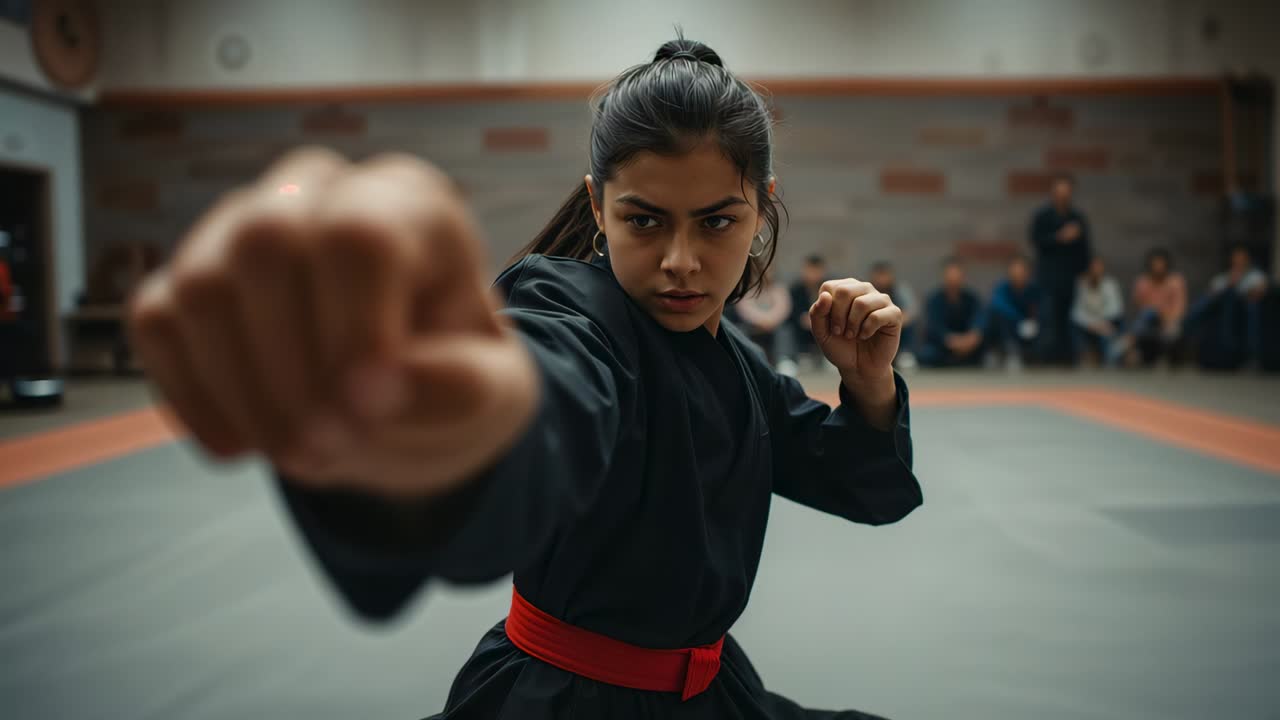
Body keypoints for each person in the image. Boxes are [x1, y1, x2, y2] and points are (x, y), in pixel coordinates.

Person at [127, 38, 921, 720]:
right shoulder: (571, 310)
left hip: (713, 694)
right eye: (645, 219)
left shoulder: (737, 363)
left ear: (761, 211)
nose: (682, 261)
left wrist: (869, 383)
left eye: (718, 220)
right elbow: (546, 409)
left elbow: (866, 486)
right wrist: (418, 422)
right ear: (598, 205)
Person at [1028, 174, 1092, 365]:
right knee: (1048, 318)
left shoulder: (1077, 218)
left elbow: (1085, 249)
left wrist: (1084, 271)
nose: (1062, 196)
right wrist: (1059, 237)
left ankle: (1067, 359)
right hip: (1048, 276)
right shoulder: (1043, 217)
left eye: (1066, 192)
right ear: (1053, 193)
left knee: (1069, 320)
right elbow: (1036, 241)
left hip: (1070, 276)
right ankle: (1045, 359)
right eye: (1059, 192)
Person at [1188, 243, 1269, 369]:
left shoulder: (1255, 276)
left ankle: (1251, 355)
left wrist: (1240, 289)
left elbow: (1259, 293)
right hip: (1222, 309)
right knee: (1203, 303)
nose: (1238, 261)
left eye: (1241, 258)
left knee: (1252, 308)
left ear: (1247, 259)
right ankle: (1187, 327)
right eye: (1236, 258)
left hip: (1244, 310)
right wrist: (1229, 284)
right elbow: (1211, 293)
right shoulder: (1224, 277)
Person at [1119, 248, 1187, 367]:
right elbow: (1140, 308)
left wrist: (1166, 318)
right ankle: (1132, 348)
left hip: (1170, 321)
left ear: (1167, 265)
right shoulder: (1142, 282)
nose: (1158, 267)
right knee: (1148, 314)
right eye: (1155, 264)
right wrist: (1157, 312)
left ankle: (1129, 341)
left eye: (1161, 264)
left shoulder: (1175, 281)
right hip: (1149, 322)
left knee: (1171, 331)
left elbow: (1179, 308)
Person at [919, 257, 985, 368]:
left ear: (962, 277)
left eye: (957, 275)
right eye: (950, 276)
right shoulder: (934, 299)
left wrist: (971, 338)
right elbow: (934, 327)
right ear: (944, 277)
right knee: (927, 354)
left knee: (984, 349)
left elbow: (979, 322)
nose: (953, 279)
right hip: (944, 345)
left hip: (968, 345)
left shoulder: (972, 298)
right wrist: (951, 341)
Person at [731, 268, 798, 375]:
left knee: (785, 330)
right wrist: (761, 321)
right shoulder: (748, 290)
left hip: (774, 325)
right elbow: (745, 310)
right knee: (739, 330)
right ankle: (746, 361)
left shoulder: (778, 289)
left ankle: (784, 360)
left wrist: (770, 321)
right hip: (753, 325)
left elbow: (783, 308)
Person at [985, 256, 1043, 370]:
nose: (1018, 275)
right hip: (1010, 328)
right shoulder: (1002, 288)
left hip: (1030, 331)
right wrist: (1020, 320)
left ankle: (1032, 356)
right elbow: (998, 305)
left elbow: (1042, 310)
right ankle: (1005, 353)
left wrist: (1034, 321)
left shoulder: (1035, 289)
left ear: (1028, 273)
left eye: (1021, 271)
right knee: (995, 316)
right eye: (1015, 271)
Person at [1070, 256, 1124, 367]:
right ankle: (1079, 360)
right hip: (1089, 325)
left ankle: (1110, 363)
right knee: (1073, 325)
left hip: (1107, 322)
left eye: (1098, 268)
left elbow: (1116, 309)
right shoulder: (1081, 284)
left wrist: (1102, 323)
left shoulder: (1110, 285)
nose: (1096, 271)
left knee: (1108, 332)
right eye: (1093, 268)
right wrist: (1093, 324)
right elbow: (1077, 312)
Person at [869, 261, 918, 370]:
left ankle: (905, 355)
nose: (882, 279)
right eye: (879, 275)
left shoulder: (901, 290)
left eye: (885, 275)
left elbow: (910, 312)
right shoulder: (867, 290)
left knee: (910, 325)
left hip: (896, 327)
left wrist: (892, 322)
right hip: (873, 328)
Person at [788, 254, 829, 369]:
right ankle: (801, 356)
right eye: (810, 270)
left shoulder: (829, 287)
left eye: (816, 271)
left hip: (824, 322)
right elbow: (792, 310)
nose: (813, 275)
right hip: (802, 324)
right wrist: (802, 318)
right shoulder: (796, 289)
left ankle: (829, 357)